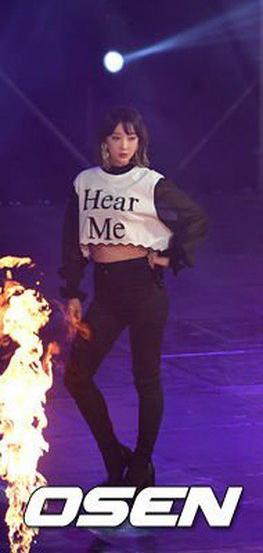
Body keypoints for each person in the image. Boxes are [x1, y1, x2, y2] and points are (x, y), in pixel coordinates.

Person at [60, 106, 208, 487]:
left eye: (131, 137)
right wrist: (73, 291)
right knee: (76, 375)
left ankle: (142, 463)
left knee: (146, 379)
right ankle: (114, 455)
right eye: (116, 138)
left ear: (139, 142)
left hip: (144, 290)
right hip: (105, 293)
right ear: (104, 143)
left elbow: (196, 218)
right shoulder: (85, 182)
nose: (123, 145)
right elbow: (72, 241)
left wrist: (171, 256)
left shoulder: (149, 181)